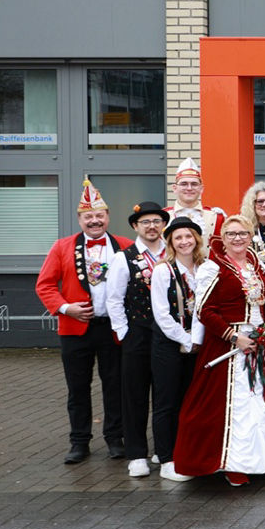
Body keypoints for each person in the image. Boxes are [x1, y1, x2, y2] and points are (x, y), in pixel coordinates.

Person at [173, 215, 265, 486]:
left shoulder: (256, 264)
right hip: (228, 346)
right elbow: (204, 311)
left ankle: (261, 462)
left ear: (251, 236)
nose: (238, 238)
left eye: (243, 233)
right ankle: (232, 465)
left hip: (256, 343)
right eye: (232, 234)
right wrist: (234, 336)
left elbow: (262, 303)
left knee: (256, 399)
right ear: (222, 239)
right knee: (231, 404)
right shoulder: (214, 267)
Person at [36, 177, 130, 464]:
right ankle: (79, 441)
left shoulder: (125, 246)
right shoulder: (62, 247)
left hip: (112, 330)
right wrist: (66, 308)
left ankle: (116, 439)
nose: (94, 221)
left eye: (99, 215)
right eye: (88, 216)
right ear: (80, 219)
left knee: (115, 386)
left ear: (108, 217)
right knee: (78, 388)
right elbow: (45, 285)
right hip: (75, 330)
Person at [105, 201, 170, 478]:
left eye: (156, 221)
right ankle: (136, 454)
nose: (152, 226)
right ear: (135, 226)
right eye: (145, 222)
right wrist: (124, 333)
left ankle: (164, 450)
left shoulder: (173, 253)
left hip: (168, 334)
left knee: (166, 394)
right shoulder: (124, 257)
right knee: (135, 395)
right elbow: (114, 299)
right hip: (138, 334)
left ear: (163, 224)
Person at [149, 217, 204, 481]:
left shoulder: (204, 268)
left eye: (188, 236)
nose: (184, 242)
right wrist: (186, 338)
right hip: (169, 345)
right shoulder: (163, 271)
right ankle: (166, 458)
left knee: (189, 400)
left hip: (197, 345)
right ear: (170, 242)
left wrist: (199, 339)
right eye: (178, 238)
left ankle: (186, 453)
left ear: (196, 239)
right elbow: (162, 315)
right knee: (166, 402)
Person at [165, 157, 226, 238]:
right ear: (174, 188)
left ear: (201, 188)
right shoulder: (163, 217)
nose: (189, 188)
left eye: (194, 184)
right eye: (184, 184)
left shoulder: (216, 217)